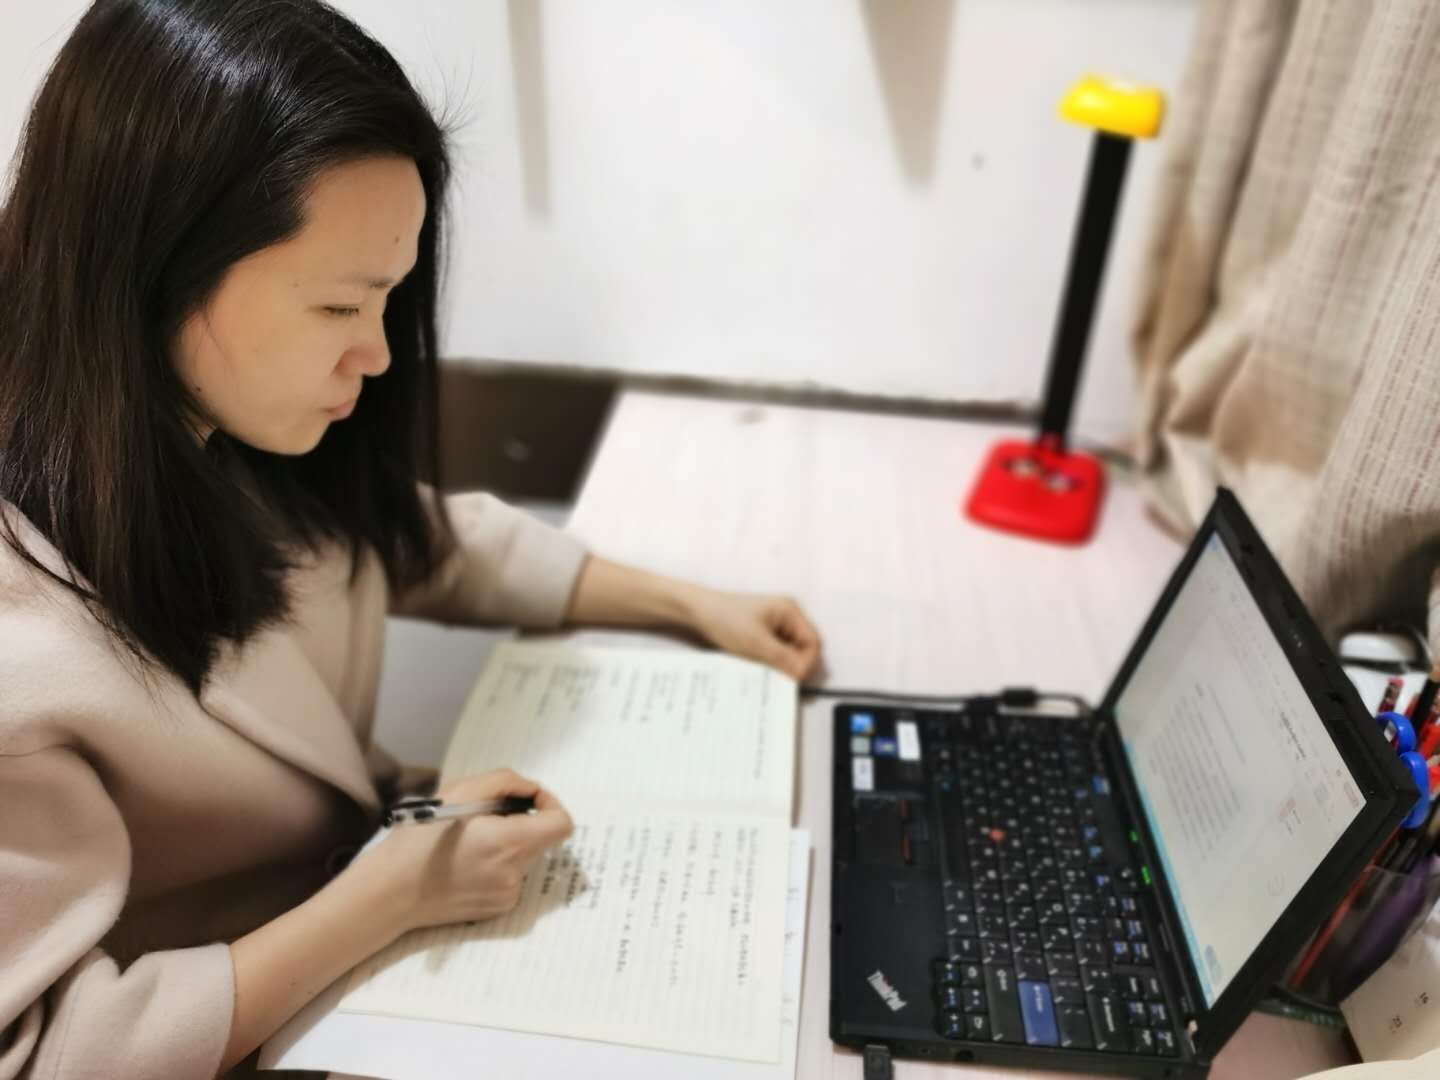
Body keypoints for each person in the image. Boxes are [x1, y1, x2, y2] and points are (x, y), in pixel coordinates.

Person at [0, 2, 822, 1076]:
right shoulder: (24, 637)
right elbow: (46, 1056)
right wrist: (386, 895)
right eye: (341, 308)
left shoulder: (215, 424)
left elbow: (410, 537)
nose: (380, 354)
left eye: (389, 298)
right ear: (156, 267)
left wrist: (690, 603)